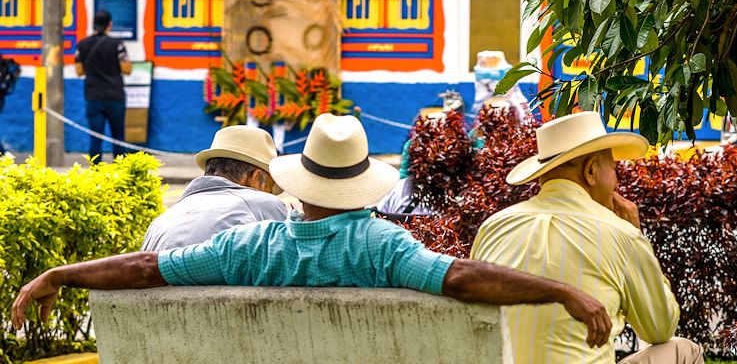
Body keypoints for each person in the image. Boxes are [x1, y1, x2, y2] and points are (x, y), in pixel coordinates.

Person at [12, 114, 613, 349]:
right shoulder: (381, 249)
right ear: (360, 184)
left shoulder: (250, 248)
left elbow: (145, 269)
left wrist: (57, 274)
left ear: (299, 184)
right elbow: (460, 277)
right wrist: (563, 290)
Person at [471, 111, 703, 364]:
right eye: (614, 170)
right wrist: (636, 237)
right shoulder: (620, 233)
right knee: (684, 349)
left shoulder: (493, 227)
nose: (616, 183)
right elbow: (660, 328)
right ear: (591, 170)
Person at [140, 125, 287, 251]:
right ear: (255, 178)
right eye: (269, 187)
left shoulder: (161, 221)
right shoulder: (265, 203)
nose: (271, 195)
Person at [75, 10, 132, 161]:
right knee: (118, 137)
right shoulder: (117, 45)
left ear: (94, 25)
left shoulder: (82, 45)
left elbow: (79, 71)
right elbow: (127, 69)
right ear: (110, 25)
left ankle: (96, 172)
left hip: (93, 96)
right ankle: (120, 171)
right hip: (115, 96)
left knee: (95, 137)